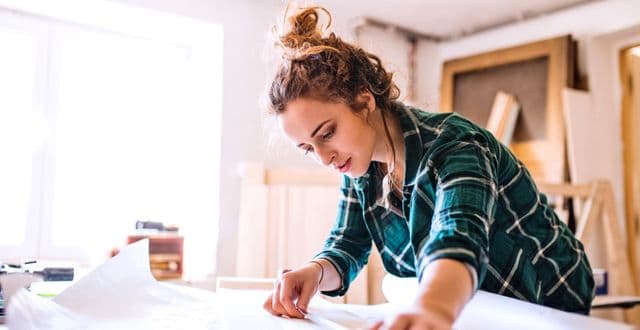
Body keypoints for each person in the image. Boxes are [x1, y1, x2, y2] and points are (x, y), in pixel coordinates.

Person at [261, 5, 594, 329]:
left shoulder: (456, 146)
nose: (324, 157)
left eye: (327, 133)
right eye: (308, 148)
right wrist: (315, 273)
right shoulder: (358, 165)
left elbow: (459, 234)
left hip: (547, 302)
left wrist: (432, 307)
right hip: (467, 303)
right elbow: (347, 244)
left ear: (364, 102)